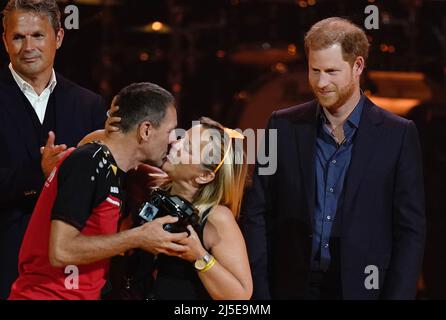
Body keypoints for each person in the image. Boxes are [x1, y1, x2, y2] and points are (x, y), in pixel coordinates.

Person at [242, 17, 425, 299]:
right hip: (292, 289)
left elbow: (410, 231)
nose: (321, 82)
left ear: (358, 66)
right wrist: (260, 293)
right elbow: (257, 211)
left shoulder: (398, 135)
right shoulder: (280, 125)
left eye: (331, 71)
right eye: (314, 70)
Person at [8, 82, 189, 300]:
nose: (173, 139)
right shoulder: (88, 164)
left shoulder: (110, 168)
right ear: (146, 130)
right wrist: (138, 237)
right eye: (170, 131)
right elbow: (61, 251)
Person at [0, 0, 107, 298]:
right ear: (5, 40)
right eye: (18, 37)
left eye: (38, 35)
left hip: (74, 273)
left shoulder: (89, 105)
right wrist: (40, 174)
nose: (28, 46)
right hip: (8, 268)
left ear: (58, 37)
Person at [148, 117, 253, 300]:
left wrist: (199, 256)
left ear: (204, 176)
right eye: (182, 138)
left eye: (187, 148)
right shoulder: (152, 187)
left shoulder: (216, 217)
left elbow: (241, 295)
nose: (175, 144)